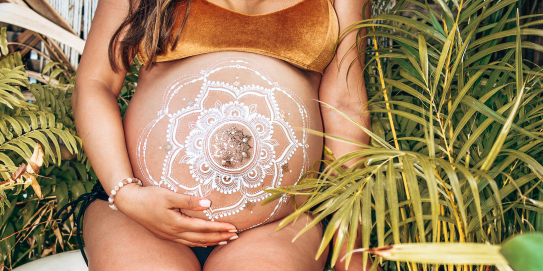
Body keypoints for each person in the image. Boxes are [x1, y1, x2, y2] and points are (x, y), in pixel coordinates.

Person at [71, 0, 371, 270]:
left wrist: (351, 247)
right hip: (140, 214)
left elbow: (346, 106)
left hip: (279, 226)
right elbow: (96, 83)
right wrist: (126, 193)